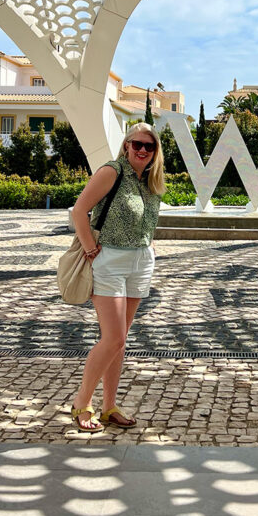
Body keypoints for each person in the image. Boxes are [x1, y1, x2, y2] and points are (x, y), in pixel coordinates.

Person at [69, 122, 165, 432]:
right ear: (126, 145)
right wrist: (89, 248)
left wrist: (147, 248)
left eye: (148, 146)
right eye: (136, 144)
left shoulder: (150, 180)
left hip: (140, 261)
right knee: (113, 338)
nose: (142, 150)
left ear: (155, 152)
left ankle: (109, 406)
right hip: (109, 260)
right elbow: (79, 210)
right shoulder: (112, 171)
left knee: (119, 344)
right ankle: (82, 403)